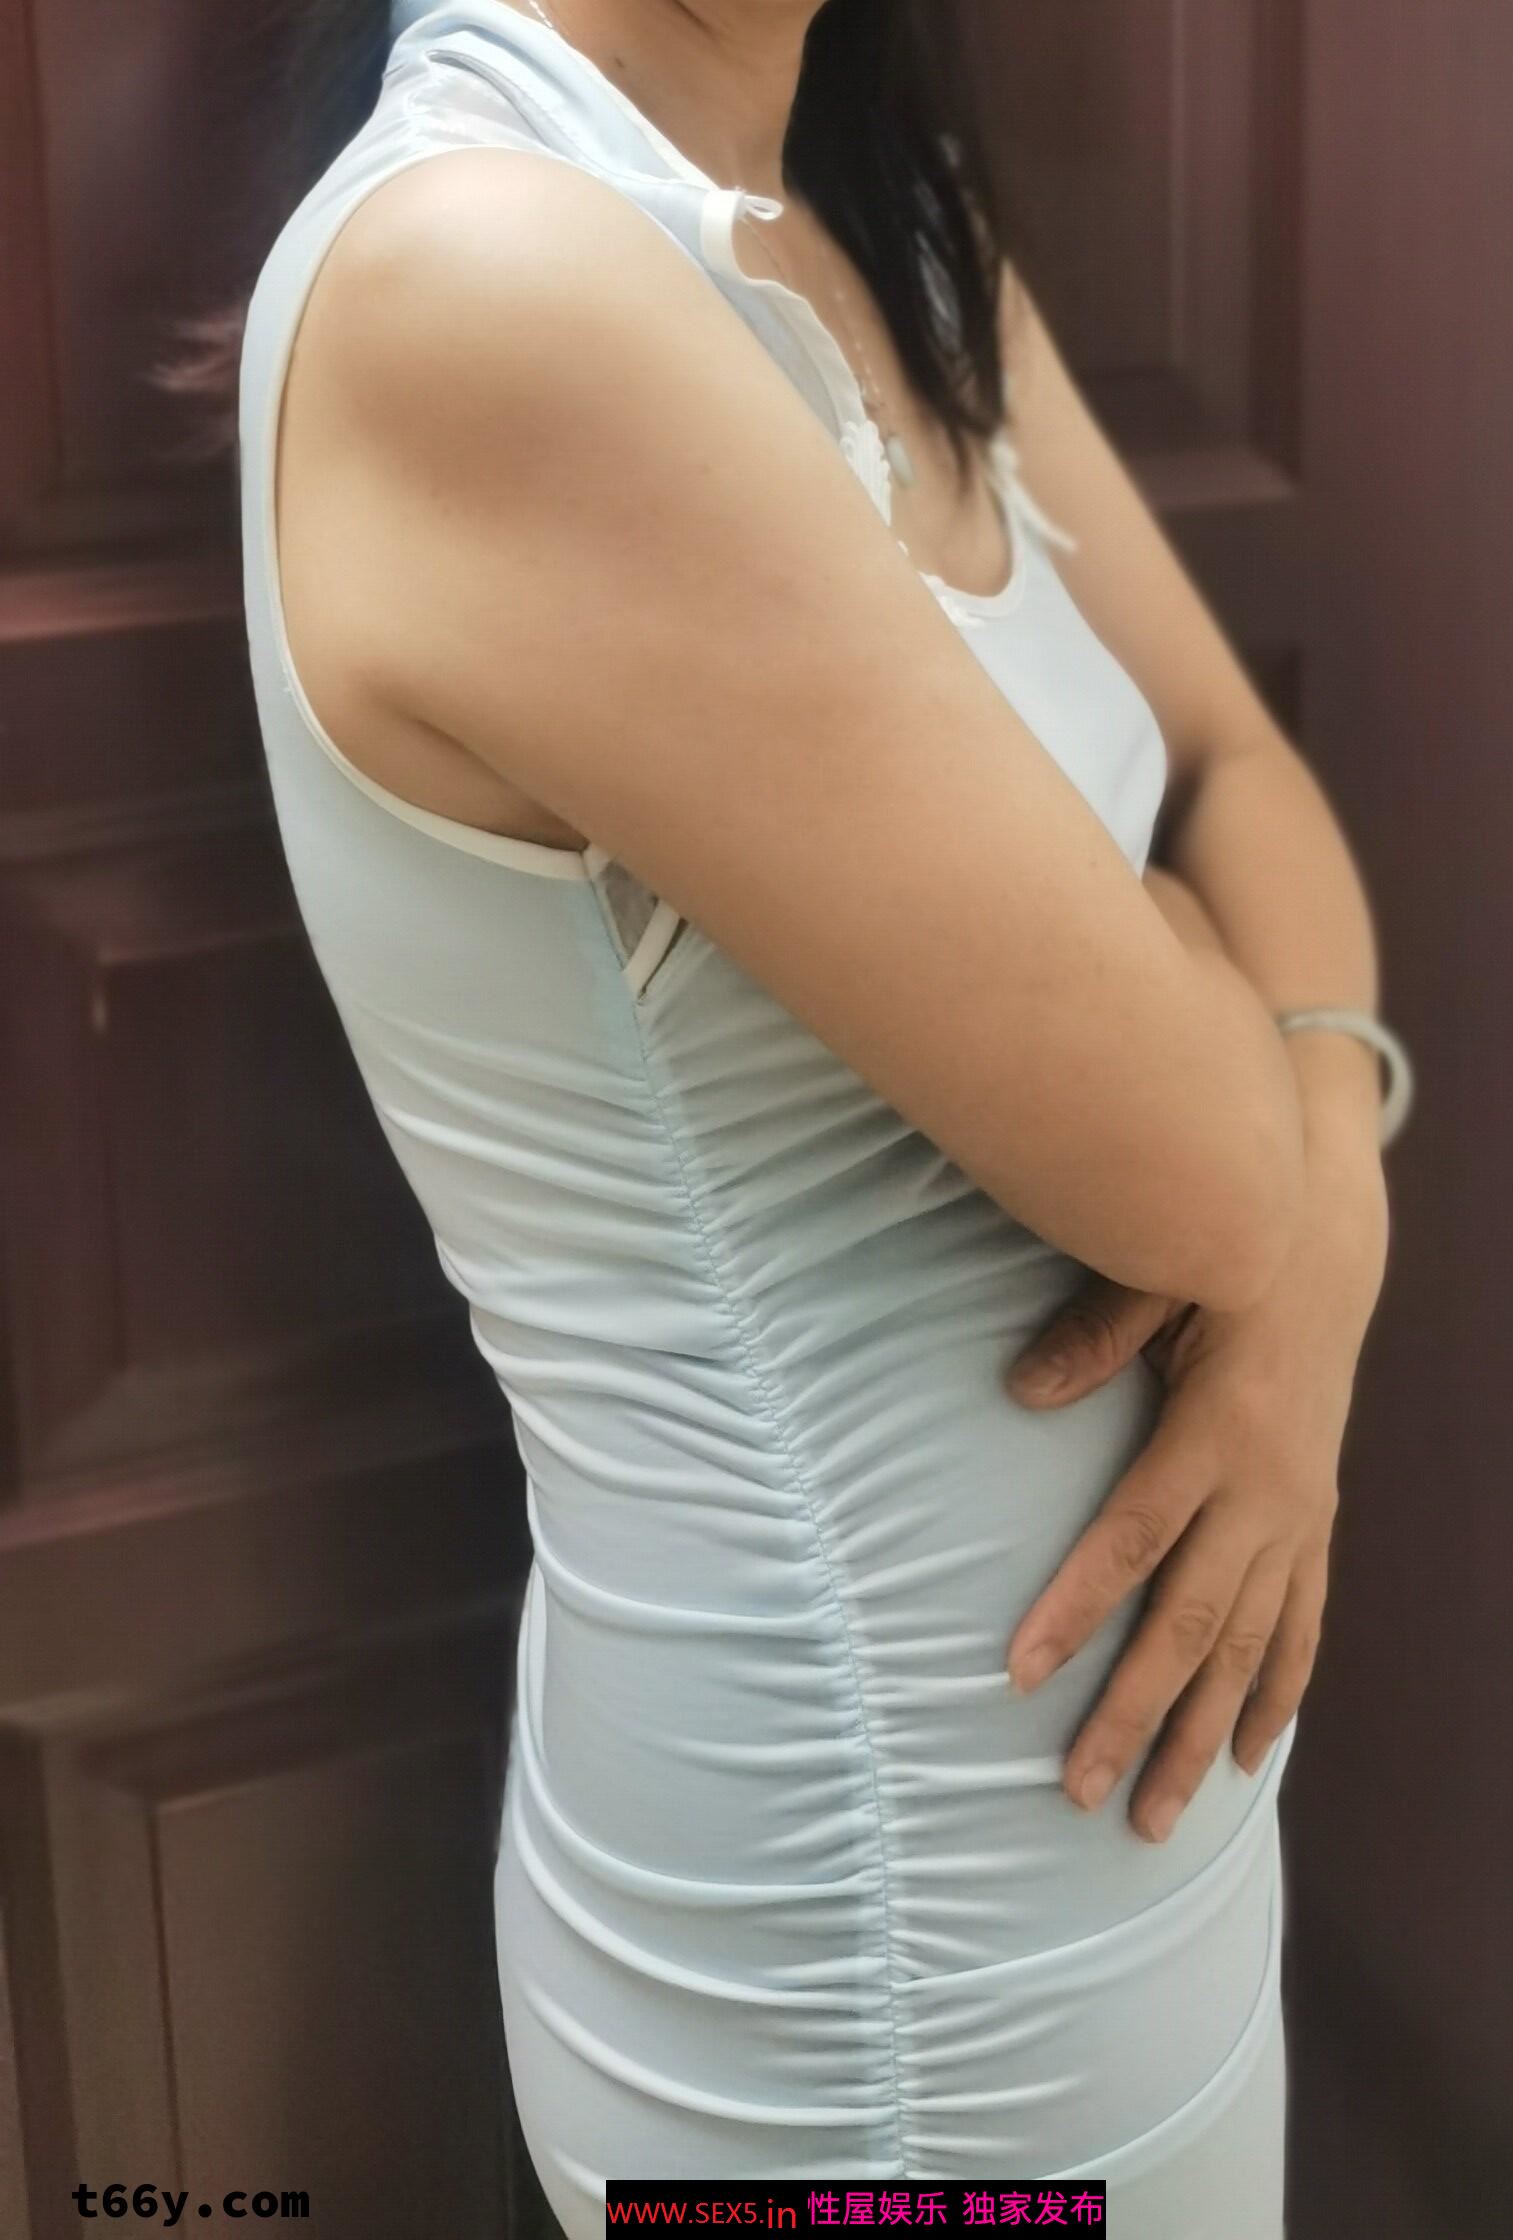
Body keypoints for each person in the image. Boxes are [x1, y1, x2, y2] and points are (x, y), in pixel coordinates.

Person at [219, 0, 1399, 2229]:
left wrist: (1326, 1242)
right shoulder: (492, 278)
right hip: (867, 1990)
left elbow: (1238, 772)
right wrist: (1264, 1160)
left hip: (1124, 1875)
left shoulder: (883, 223)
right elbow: (1195, 1179)